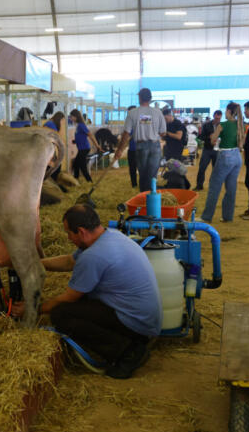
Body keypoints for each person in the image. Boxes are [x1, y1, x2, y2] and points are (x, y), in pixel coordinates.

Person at [13, 205, 161, 379]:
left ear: (81, 232)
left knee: (62, 315)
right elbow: (69, 261)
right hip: (145, 317)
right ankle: (131, 343)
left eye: (69, 233)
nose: (68, 238)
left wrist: (31, 309)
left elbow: (68, 298)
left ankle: (128, 352)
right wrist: (35, 263)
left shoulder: (94, 256)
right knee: (79, 304)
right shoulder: (110, 235)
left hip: (138, 325)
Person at [196, 102, 245, 223]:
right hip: (237, 156)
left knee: (214, 186)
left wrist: (215, 136)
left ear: (228, 111)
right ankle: (228, 216)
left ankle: (207, 216)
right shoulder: (240, 125)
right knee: (231, 187)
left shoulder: (222, 125)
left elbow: (213, 140)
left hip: (225, 155)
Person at [114, 88, 167, 192]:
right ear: (150, 98)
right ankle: (152, 197)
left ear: (139, 97)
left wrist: (119, 149)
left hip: (141, 146)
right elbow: (163, 132)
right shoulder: (158, 112)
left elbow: (126, 134)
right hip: (155, 146)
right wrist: (151, 131)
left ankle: (143, 197)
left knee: (143, 175)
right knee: (152, 176)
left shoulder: (133, 113)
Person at [69, 109, 100, 182]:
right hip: (81, 148)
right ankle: (75, 180)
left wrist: (97, 145)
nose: (71, 118)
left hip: (84, 148)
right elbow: (81, 136)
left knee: (82, 166)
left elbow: (90, 135)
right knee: (76, 164)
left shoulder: (81, 125)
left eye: (72, 116)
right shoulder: (78, 125)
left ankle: (89, 181)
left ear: (76, 117)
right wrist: (75, 141)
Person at [195, 110, 221, 190]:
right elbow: (201, 137)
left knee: (216, 170)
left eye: (219, 118)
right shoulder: (206, 125)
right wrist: (209, 137)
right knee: (202, 168)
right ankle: (199, 186)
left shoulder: (221, 126)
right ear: (213, 116)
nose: (217, 120)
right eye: (216, 118)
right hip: (207, 149)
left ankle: (212, 186)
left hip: (217, 150)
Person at [45, 112, 66, 183]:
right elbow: (59, 137)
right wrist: (62, 125)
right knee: (55, 166)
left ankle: (53, 182)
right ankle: (52, 183)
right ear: (60, 119)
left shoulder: (51, 123)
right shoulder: (51, 124)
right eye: (63, 120)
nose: (64, 122)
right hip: (46, 149)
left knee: (57, 165)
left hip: (49, 149)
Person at [125, 105, 138, 188]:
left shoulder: (144, 120)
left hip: (142, 149)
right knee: (132, 168)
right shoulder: (128, 124)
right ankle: (134, 185)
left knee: (143, 168)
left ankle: (144, 185)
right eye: (129, 113)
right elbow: (126, 137)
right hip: (132, 149)